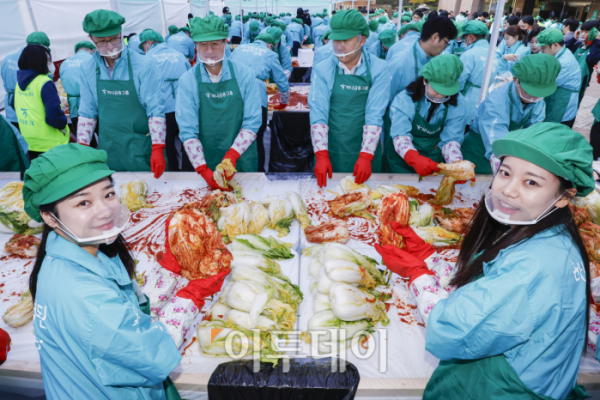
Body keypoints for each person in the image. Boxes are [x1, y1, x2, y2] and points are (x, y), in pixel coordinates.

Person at [377, 122, 593, 400]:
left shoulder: (533, 267)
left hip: (498, 389)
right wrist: (429, 258)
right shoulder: (550, 234)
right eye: (505, 173)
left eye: (531, 182)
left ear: (564, 197)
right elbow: (487, 282)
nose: (508, 190)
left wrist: (417, 274)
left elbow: (448, 330)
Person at [23, 144, 182, 400]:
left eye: (108, 194)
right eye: (83, 202)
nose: (105, 210)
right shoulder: (84, 295)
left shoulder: (86, 250)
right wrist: (181, 313)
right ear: (50, 217)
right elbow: (153, 360)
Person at [77, 9, 167, 178]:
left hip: (140, 147)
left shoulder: (143, 65)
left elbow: (155, 111)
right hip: (109, 147)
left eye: (114, 39)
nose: (110, 46)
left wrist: (158, 147)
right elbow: (87, 112)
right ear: (91, 39)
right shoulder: (87, 68)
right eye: (102, 42)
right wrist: (83, 147)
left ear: (121, 33)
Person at [175, 15, 262, 187]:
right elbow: (188, 130)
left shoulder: (245, 75)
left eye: (215, 43)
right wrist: (203, 169)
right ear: (195, 47)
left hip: (241, 158)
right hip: (204, 158)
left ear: (225, 43)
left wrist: (233, 156)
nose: (209, 51)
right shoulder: (188, 80)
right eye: (203, 45)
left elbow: (252, 122)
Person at [309, 9, 390, 186]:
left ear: (361, 40)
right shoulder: (323, 69)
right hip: (332, 147)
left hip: (364, 147)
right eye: (336, 40)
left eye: (345, 40)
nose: (339, 46)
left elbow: (374, 114)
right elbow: (318, 112)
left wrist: (366, 155)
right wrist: (321, 154)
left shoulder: (379, 68)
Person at [461, 54, 561, 174]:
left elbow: (533, 131)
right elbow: (497, 142)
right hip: (477, 151)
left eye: (540, 93)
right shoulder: (497, 101)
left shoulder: (538, 102)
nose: (534, 97)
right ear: (515, 80)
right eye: (529, 91)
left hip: (508, 153)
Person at [384, 55, 468, 175]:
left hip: (433, 159)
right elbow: (400, 135)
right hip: (401, 161)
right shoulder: (405, 99)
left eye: (446, 92)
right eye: (436, 89)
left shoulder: (459, 103)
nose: (440, 95)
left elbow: (451, 139)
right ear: (425, 80)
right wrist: (414, 159)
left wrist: (456, 166)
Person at [230, 33, 289, 172]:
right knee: (257, 136)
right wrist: (283, 102)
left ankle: (232, 169)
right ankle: (258, 172)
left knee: (234, 133)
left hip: (233, 93)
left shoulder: (239, 49)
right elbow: (282, 81)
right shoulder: (270, 54)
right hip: (257, 95)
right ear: (270, 44)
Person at [140, 29, 191, 172]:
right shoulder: (179, 55)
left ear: (148, 43)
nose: (144, 49)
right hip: (183, 107)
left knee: (167, 144)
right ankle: (189, 172)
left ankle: (173, 172)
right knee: (188, 139)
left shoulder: (146, 59)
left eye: (143, 46)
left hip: (162, 110)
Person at [13, 45, 69, 161]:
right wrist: (62, 126)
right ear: (38, 62)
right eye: (48, 60)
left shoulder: (19, 84)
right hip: (51, 143)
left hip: (30, 141)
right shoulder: (44, 82)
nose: (50, 63)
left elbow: (13, 104)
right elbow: (53, 114)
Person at [389, 15, 458, 101]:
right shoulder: (399, 64)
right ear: (435, 37)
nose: (445, 48)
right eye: (446, 43)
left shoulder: (434, 60)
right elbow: (385, 100)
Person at [1, 31, 51, 131]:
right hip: (31, 108)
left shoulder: (7, 59)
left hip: (11, 110)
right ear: (41, 46)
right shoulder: (37, 61)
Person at [537, 28, 581, 127]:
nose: (541, 51)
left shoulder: (565, 62)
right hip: (553, 96)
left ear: (555, 45)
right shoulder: (553, 53)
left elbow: (548, 83)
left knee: (555, 130)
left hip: (562, 100)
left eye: (543, 48)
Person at [59, 41, 95, 135]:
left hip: (74, 108)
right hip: (93, 105)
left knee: (83, 139)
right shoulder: (93, 59)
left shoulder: (65, 63)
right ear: (92, 50)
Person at [458, 21, 490, 126]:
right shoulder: (493, 52)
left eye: (465, 38)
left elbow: (460, 80)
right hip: (487, 99)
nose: (464, 41)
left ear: (470, 37)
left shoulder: (469, 54)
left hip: (468, 98)